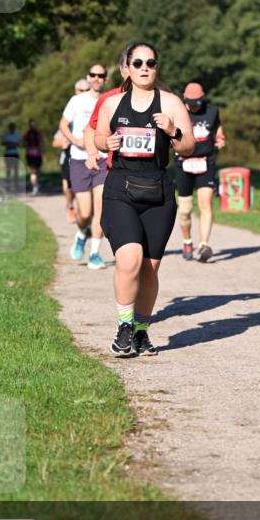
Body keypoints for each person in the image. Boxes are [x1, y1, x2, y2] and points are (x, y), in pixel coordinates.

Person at [87, 41, 194, 357]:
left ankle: (141, 331)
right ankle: (124, 326)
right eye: (138, 63)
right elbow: (98, 136)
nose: (145, 68)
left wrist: (173, 131)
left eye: (151, 63)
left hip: (158, 191)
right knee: (130, 258)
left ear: (157, 67)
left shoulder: (171, 103)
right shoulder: (112, 104)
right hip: (120, 188)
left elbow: (188, 147)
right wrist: (106, 143)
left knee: (149, 268)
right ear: (127, 68)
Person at [59, 65, 109, 269]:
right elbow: (63, 124)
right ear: (88, 77)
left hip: (102, 160)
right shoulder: (77, 100)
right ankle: (81, 234)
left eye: (101, 75)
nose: (96, 78)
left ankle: (95, 253)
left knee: (101, 208)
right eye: (93, 75)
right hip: (79, 159)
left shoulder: (109, 101)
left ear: (105, 79)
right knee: (85, 213)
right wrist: (74, 140)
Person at [175, 81, 226, 262]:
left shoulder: (212, 111)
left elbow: (217, 127)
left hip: (206, 162)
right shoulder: (178, 111)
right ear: (184, 98)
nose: (194, 106)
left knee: (206, 204)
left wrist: (220, 138)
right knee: (185, 210)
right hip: (184, 163)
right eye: (190, 103)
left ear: (202, 98)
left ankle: (203, 245)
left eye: (196, 103)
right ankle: (187, 241)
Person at [53, 80, 89, 224]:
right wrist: (65, 142)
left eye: (86, 90)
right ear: (75, 91)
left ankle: (84, 216)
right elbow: (55, 141)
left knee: (83, 190)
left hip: (88, 157)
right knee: (68, 188)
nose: (83, 93)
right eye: (81, 90)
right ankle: (70, 205)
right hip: (68, 158)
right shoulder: (70, 114)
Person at [22, 120, 43, 195]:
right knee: (35, 172)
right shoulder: (37, 133)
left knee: (34, 171)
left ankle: (36, 187)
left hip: (31, 154)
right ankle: (35, 187)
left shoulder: (27, 134)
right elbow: (41, 143)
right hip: (36, 154)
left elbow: (23, 143)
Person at [0, 122, 21, 190]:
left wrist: (10, 143)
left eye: (13, 127)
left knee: (16, 170)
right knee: (8, 170)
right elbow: (3, 143)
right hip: (8, 153)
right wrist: (11, 143)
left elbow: (18, 143)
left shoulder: (17, 135)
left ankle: (16, 185)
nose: (12, 128)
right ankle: (8, 186)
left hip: (15, 153)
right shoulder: (6, 135)